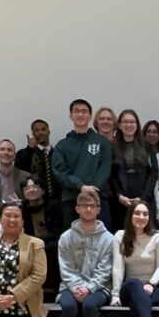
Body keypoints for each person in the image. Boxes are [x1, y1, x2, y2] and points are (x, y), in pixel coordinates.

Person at [56, 187, 114, 317]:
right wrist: (76, 287)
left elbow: (105, 270)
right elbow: (66, 268)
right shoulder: (66, 237)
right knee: (68, 306)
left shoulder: (109, 239)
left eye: (92, 206)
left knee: (89, 306)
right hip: (69, 286)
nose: (88, 209)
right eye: (84, 205)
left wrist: (89, 288)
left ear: (98, 209)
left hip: (98, 288)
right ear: (77, 208)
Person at [52, 98, 113, 229]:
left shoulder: (102, 142)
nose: (80, 114)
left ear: (90, 116)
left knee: (102, 237)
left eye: (84, 111)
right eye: (77, 111)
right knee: (73, 238)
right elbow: (60, 172)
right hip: (72, 200)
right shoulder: (62, 145)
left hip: (98, 199)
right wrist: (80, 186)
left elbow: (105, 168)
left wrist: (93, 189)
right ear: (71, 116)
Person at [110, 108, 159, 228]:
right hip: (120, 203)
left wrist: (143, 198)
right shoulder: (112, 148)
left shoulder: (147, 147)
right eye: (125, 122)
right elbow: (111, 175)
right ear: (119, 125)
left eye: (132, 122)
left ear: (137, 125)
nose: (129, 125)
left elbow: (153, 173)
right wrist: (119, 196)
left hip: (145, 201)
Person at [0, 139, 33, 209]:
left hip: (20, 214)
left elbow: (33, 201)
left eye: (9, 150)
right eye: (2, 149)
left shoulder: (26, 177)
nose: (6, 152)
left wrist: (21, 205)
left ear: (14, 155)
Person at [15, 118, 57, 202]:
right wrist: (30, 149)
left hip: (57, 198)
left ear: (48, 132)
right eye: (37, 131)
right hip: (34, 199)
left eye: (43, 129)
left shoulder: (58, 153)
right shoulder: (25, 153)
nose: (40, 132)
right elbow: (18, 169)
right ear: (33, 134)